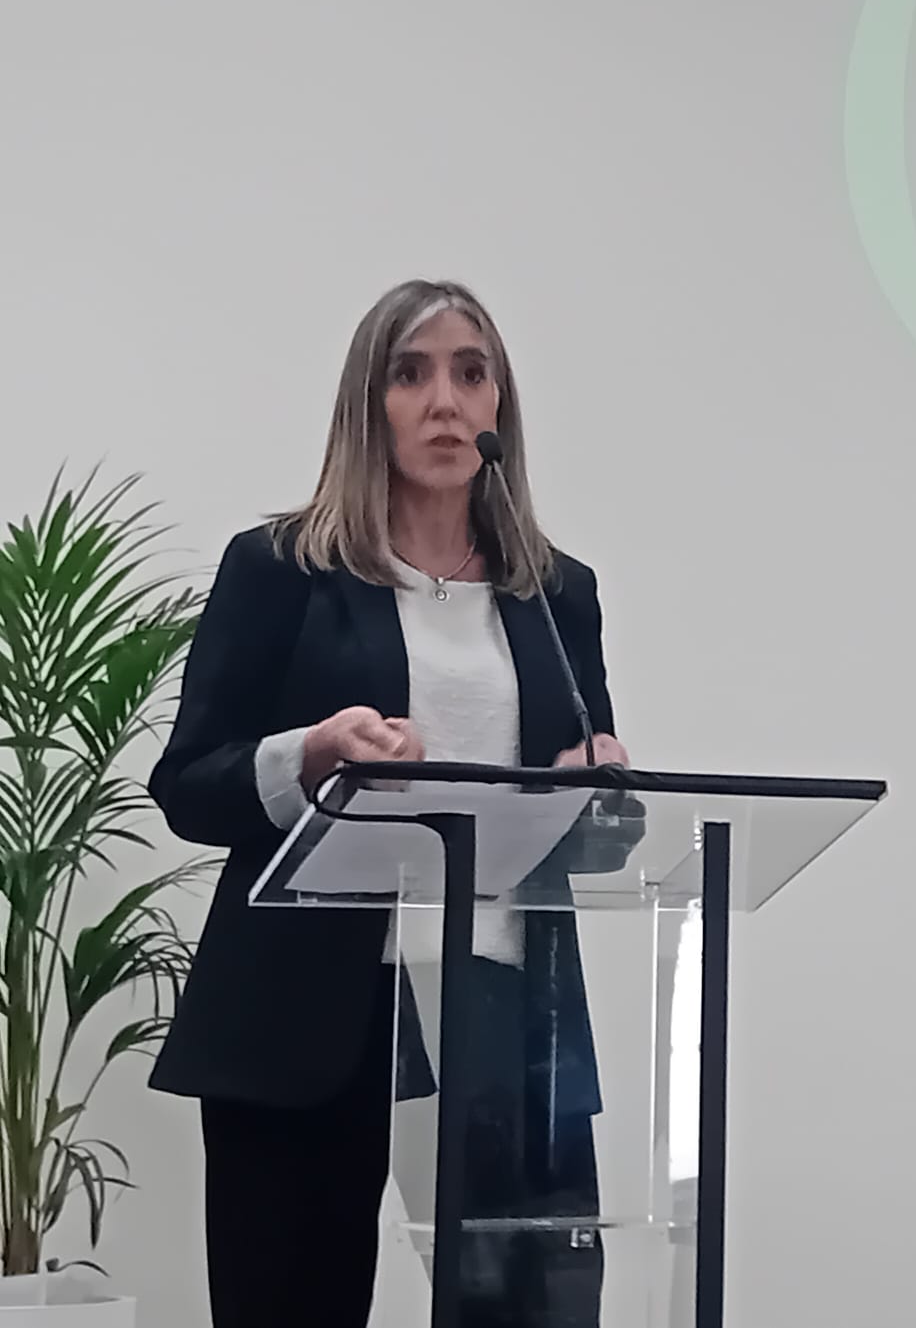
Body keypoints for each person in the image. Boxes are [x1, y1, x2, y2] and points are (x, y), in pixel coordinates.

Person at [146, 279, 629, 1328]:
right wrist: (311, 755)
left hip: (506, 1012)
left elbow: (594, 836)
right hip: (311, 1016)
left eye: (471, 372)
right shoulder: (281, 570)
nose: (445, 401)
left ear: (500, 405)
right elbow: (187, 785)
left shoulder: (557, 593)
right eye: (411, 374)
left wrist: (601, 789)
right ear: (369, 405)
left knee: (535, 1312)